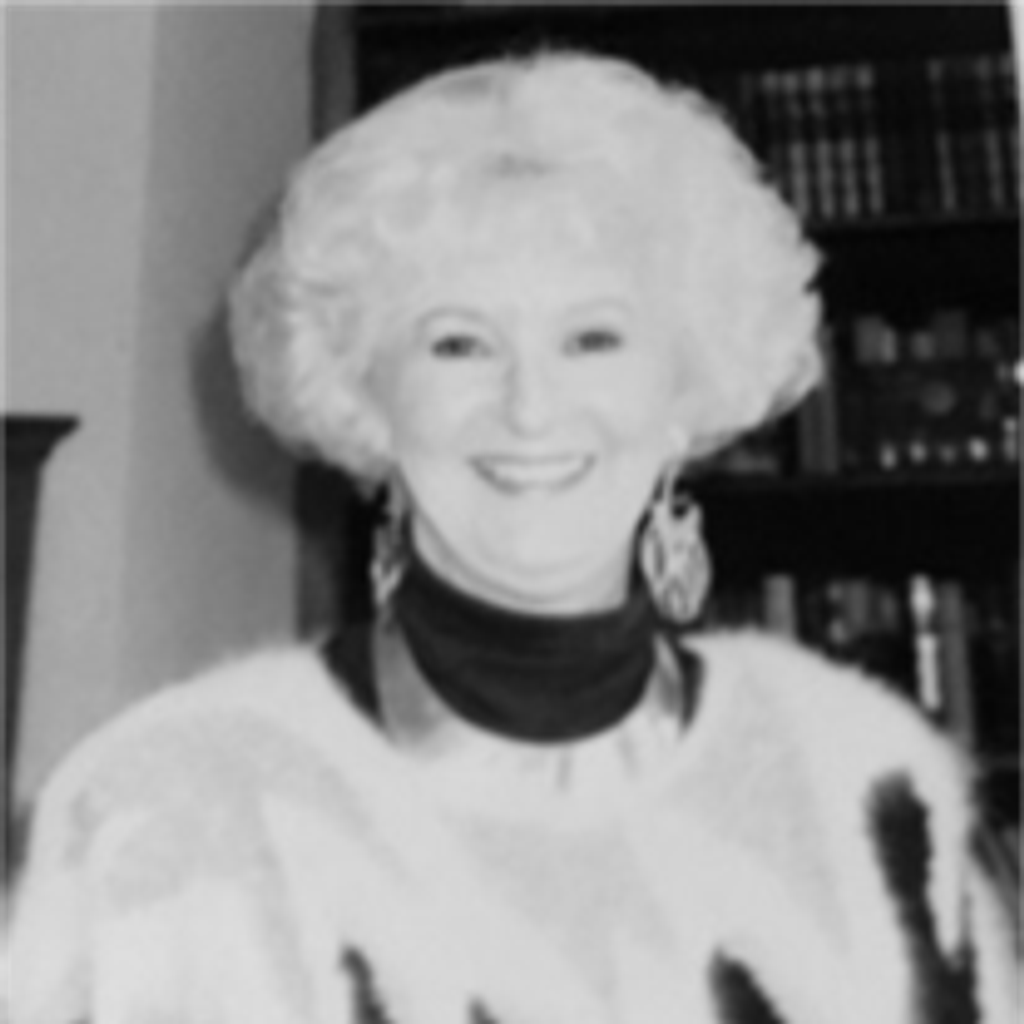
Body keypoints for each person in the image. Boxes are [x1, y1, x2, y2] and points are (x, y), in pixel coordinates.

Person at [3, 53, 1021, 1024]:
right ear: (363, 395)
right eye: (459, 343)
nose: (531, 407)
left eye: (592, 338)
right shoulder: (165, 804)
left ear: (684, 392)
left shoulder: (874, 797)